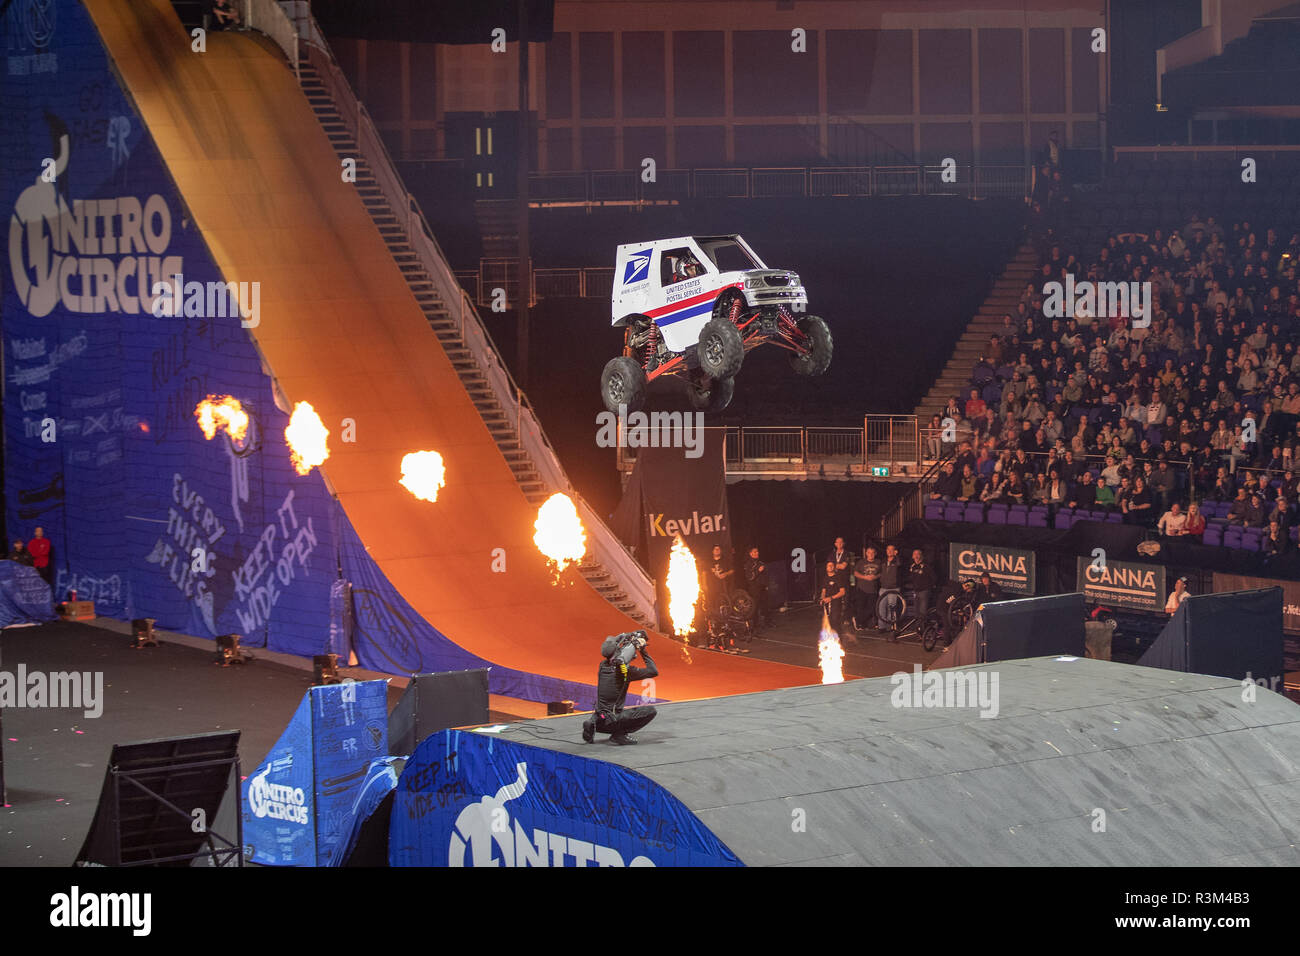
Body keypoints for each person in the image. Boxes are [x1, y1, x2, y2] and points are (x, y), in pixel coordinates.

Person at [582, 631, 658, 745]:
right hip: (613, 721)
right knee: (651, 711)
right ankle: (619, 735)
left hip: (600, 721)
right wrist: (642, 650)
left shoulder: (602, 666)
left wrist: (628, 638)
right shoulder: (625, 672)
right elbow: (653, 671)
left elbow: (614, 651)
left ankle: (592, 723)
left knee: (605, 712)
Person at [819, 560, 851, 640]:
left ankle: (838, 638)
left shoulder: (838, 577)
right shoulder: (825, 578)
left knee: (835, 620)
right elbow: (823, 590)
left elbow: (842, 592)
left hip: (836, 602)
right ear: (826, 568)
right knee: (827, 621)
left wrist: (831, 598)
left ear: (834, 567)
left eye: (832, 565)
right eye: (828, 566)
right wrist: (822, 599)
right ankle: (829, 638)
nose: (830, 567)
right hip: (827, 602)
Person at [852, 545, 881, 631]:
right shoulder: (861, 562)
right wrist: (865, 577)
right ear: (866, 553)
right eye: (869, 553)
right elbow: (855, 573)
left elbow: (881, 573)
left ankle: (858, 620)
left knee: (871, 608)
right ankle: (861, 625)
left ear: (875, 553)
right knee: (861, 607)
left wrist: (875, 577)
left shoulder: (878, 562)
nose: (871, 554)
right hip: (862, 588)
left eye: (872, 553)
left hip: (873, 589)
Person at [743, 546, 773, 629]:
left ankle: (768, 622)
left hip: (763, 587)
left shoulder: (761, 562)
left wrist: (766, 585)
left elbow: (765, 575)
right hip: (754, 588)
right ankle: (754, 626)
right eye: (755, 552)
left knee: (766, 605)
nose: (757, 553)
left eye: (757, 552)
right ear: (750, 553)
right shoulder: (748, 564)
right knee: (755, 607)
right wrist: (758, 571)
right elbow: (749, 577)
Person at [906, 549, 937, 622]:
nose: (916, 556)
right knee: (916, 611)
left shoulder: (926, 566)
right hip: (915, 591)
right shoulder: (912, 566)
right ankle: (918, 628)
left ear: (921, 556)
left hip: (924, 591)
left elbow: (934, 577)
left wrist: (929, 586)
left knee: (923, 611)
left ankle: (923, 628)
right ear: (912, 556)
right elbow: (910, 577)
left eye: (918, 554)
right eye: (914, 554)